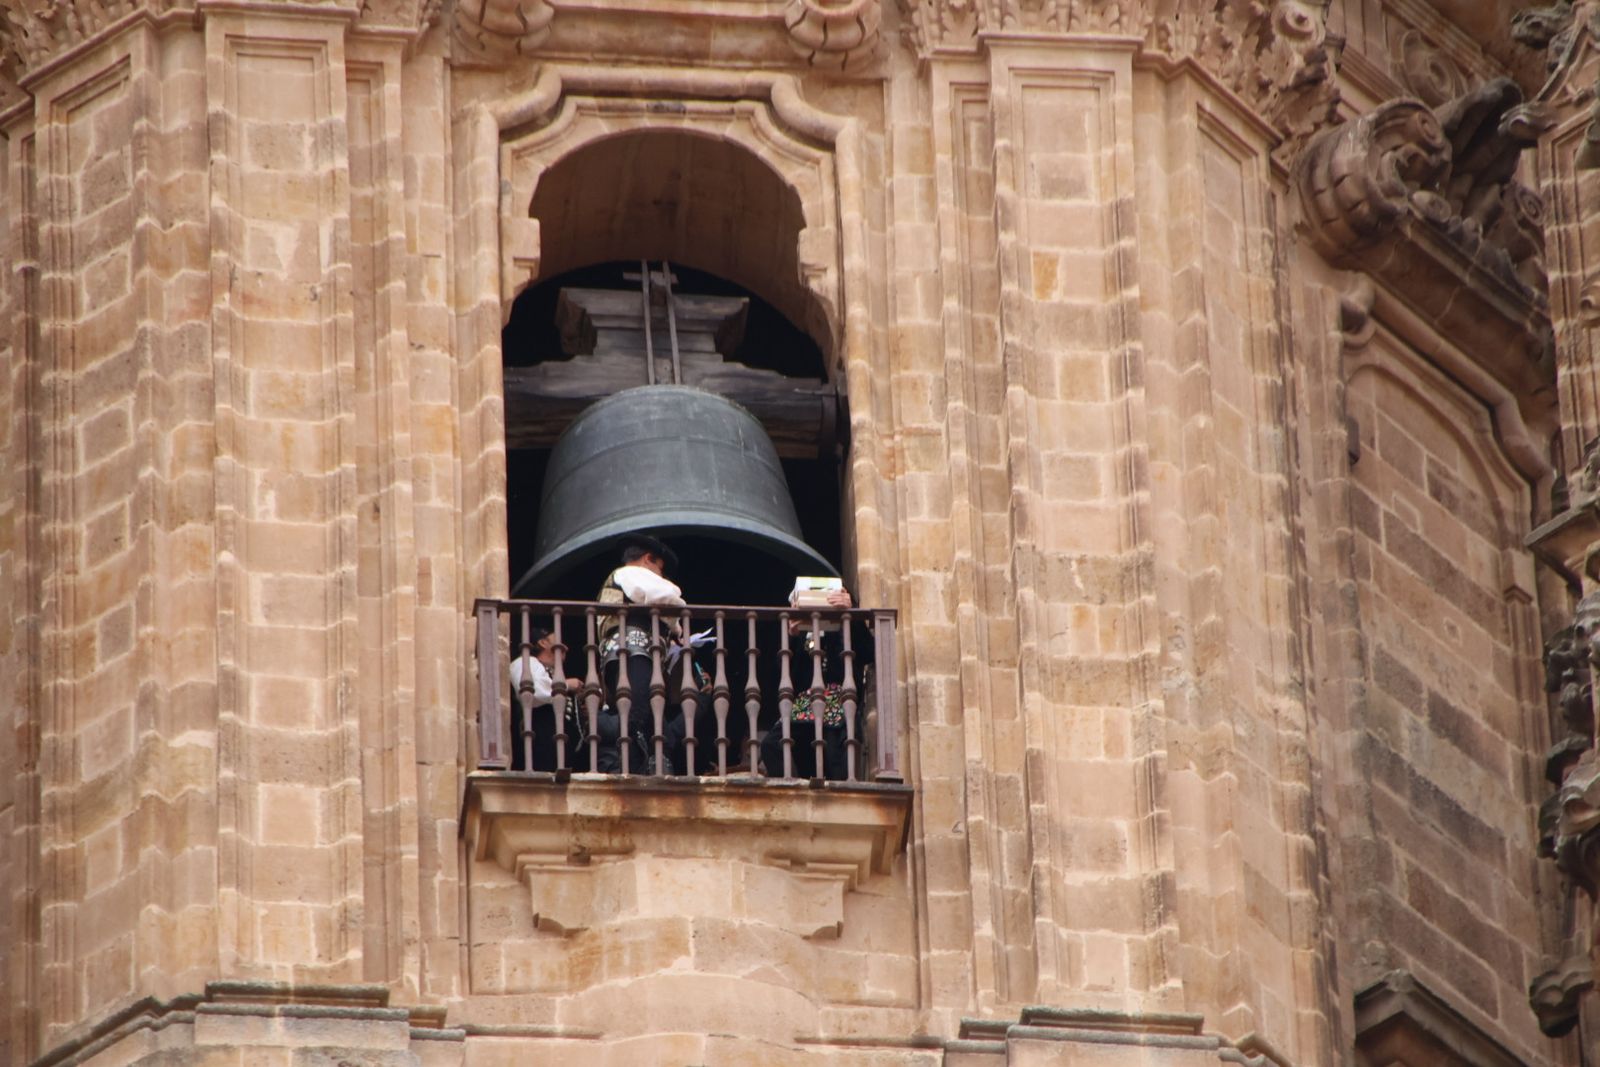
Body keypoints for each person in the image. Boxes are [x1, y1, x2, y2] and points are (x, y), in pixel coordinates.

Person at [594, 534, 689, 774]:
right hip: (634, 653)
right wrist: (679, 614)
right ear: (648, 559)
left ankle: (640, 763)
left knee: (641, 712)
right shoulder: (629, 574)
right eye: (660, 569)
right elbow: (666, 596)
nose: (660, 575)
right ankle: (643, 765)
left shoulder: (620, 581)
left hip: (622, 655)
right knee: (639, 710)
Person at [759, 587, 874, 781]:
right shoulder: (803, 633)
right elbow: (783, 675)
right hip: (806, 702)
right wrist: (792, 637)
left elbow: (868, 651)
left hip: (839, 700)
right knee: (771, 744)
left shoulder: (844, 625)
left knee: (834, 755)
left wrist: (850, 613)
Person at [508, 626, 578, 771]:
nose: (565, 647)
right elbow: (533, 692)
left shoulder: (552, 674)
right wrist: (566, 685)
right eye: (558, 640)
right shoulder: (525, 663)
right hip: (539, 751)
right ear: (543, 642)